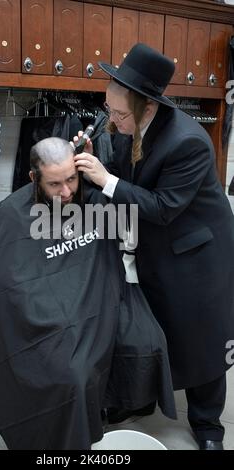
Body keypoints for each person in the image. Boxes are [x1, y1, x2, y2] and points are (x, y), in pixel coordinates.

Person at [74, 43, 234, 450]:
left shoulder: (189, 142)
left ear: (148, 107)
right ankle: (142, 398)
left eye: (120, 113)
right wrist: (97, 160)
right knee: (151, 327)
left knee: (201, 339)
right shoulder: (129, 125)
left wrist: (103, 180)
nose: (113, 119)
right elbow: (129, 178)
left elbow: (163, 207)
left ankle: (208, 424)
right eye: (109, 110)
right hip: (158, 246)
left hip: (198, 254)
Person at [0, 136, 176, 450]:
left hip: (101, 301)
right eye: (55, 184)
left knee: (148, 339)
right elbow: (11, 289)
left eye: (72, 179)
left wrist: (103, 176)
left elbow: (127, 235)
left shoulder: (93, 199)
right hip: (46, 319)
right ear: (33, 178)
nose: (67, 192)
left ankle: (114, 404)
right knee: (72, 372)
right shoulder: (11, 215)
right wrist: (59, 318)